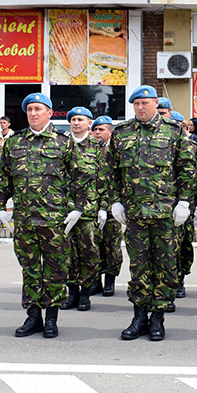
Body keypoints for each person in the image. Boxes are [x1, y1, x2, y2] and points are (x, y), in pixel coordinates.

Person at [104, 85, 197, 341]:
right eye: (136, 104)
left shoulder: (174, 132)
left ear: (156, 103)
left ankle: (158, 318)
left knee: (166, 267)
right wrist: (115, 202)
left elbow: (188, 170)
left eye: (145, 103)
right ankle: (139, 317)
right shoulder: (122, 133)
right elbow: (110, 171)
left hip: (166, 214)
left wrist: (185, 203)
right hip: (134, 214)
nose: (140, 107)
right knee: (138, 267)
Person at [0, 93, 85, 339]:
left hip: (54, 219)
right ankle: (33, 317)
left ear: (49, 112)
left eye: (38, 109)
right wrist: (0, 206)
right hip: (24, 219)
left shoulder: (63, 142)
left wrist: (78, 208)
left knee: (55, 270)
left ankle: (52, 318)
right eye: (30, 109)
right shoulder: (15, 143)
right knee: (30, 269)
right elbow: (2, 177)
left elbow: (80, 178)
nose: (33, 113)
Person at [60, 106, 104, 312]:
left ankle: (86, 292)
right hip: (63, 209)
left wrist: (104, 207)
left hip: (88, 209)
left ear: (89, 123)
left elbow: (106, 179)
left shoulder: (99, 147)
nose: (76, 123)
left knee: (89, 253)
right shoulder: (60, 145)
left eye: (80, 119)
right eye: (73, 119)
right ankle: (72, 292)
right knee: (66, 253)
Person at [89, 115, 122, 298]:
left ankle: (110, 281)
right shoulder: (90, 150)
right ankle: (95, 281)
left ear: (110, 132)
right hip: (93, 205)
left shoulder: (117, 151)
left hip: (111, 206)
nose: (97, 133)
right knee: (93, 246)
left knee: (112, 245)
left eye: (101, 130)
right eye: (95, 130)